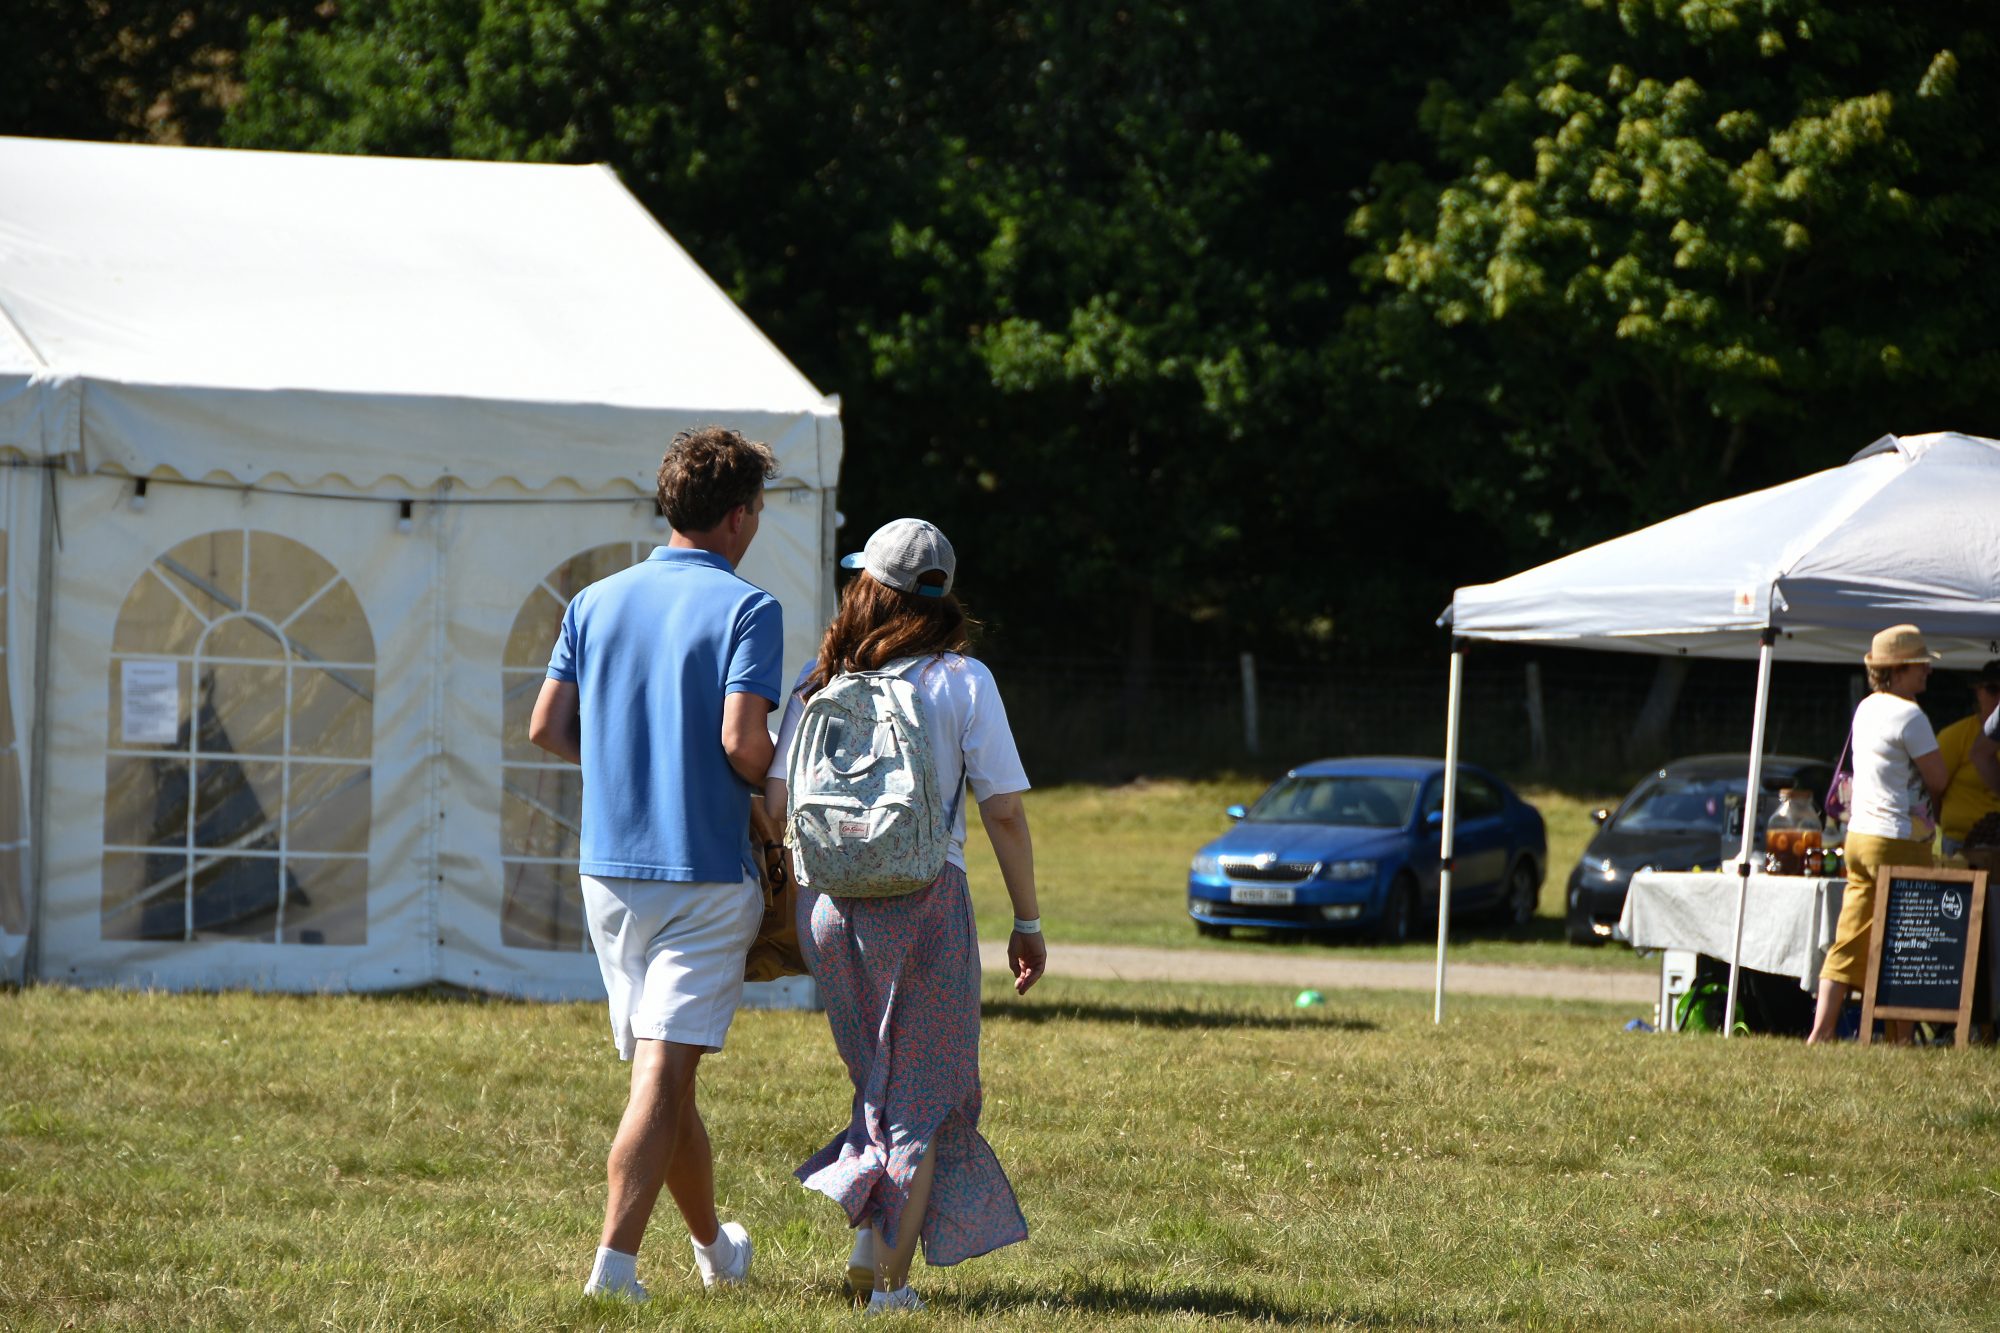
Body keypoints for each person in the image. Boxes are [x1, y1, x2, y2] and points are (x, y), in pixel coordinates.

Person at [764, 517, 1046, 1315]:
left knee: (879, 1087)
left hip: (827, 909)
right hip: (925, 902)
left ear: (867, 586)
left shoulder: (819, 680)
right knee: (921, 1096)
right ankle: (890, 1289)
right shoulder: (964, 681)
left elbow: (777, 804)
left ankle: (868, 1250)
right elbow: (1004, 812)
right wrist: (1027, 920)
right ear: (943, 595)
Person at [529, 426, 782, 1298]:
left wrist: (622, 763)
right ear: (739, 515)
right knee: (663, 1079)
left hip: (607, 870)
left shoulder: (592, 599)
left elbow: (547, 727)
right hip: (703, 870)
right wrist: (780, 778)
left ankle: (717, 1250)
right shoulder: (751, 607)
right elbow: (743, 742)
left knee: (664, 1078)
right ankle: (614, 1268)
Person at [1807, 624, 1946, 1045]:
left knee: (1848, 939)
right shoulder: (1911, 716)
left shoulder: (1866, 708)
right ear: (1899, 670)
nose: (1927, 671)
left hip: (1859, 837)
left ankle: (1821, 1032)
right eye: (1920, 664)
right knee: (1905, 941)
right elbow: (1937, 779)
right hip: (1898, 839)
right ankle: (1899, 1039)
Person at [1933, 660, 2000, 856]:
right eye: (1993, 689)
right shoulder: (1954, 736)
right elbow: (1933, 790)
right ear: (1978, 691)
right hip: (1961, 842)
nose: (1999, 698)